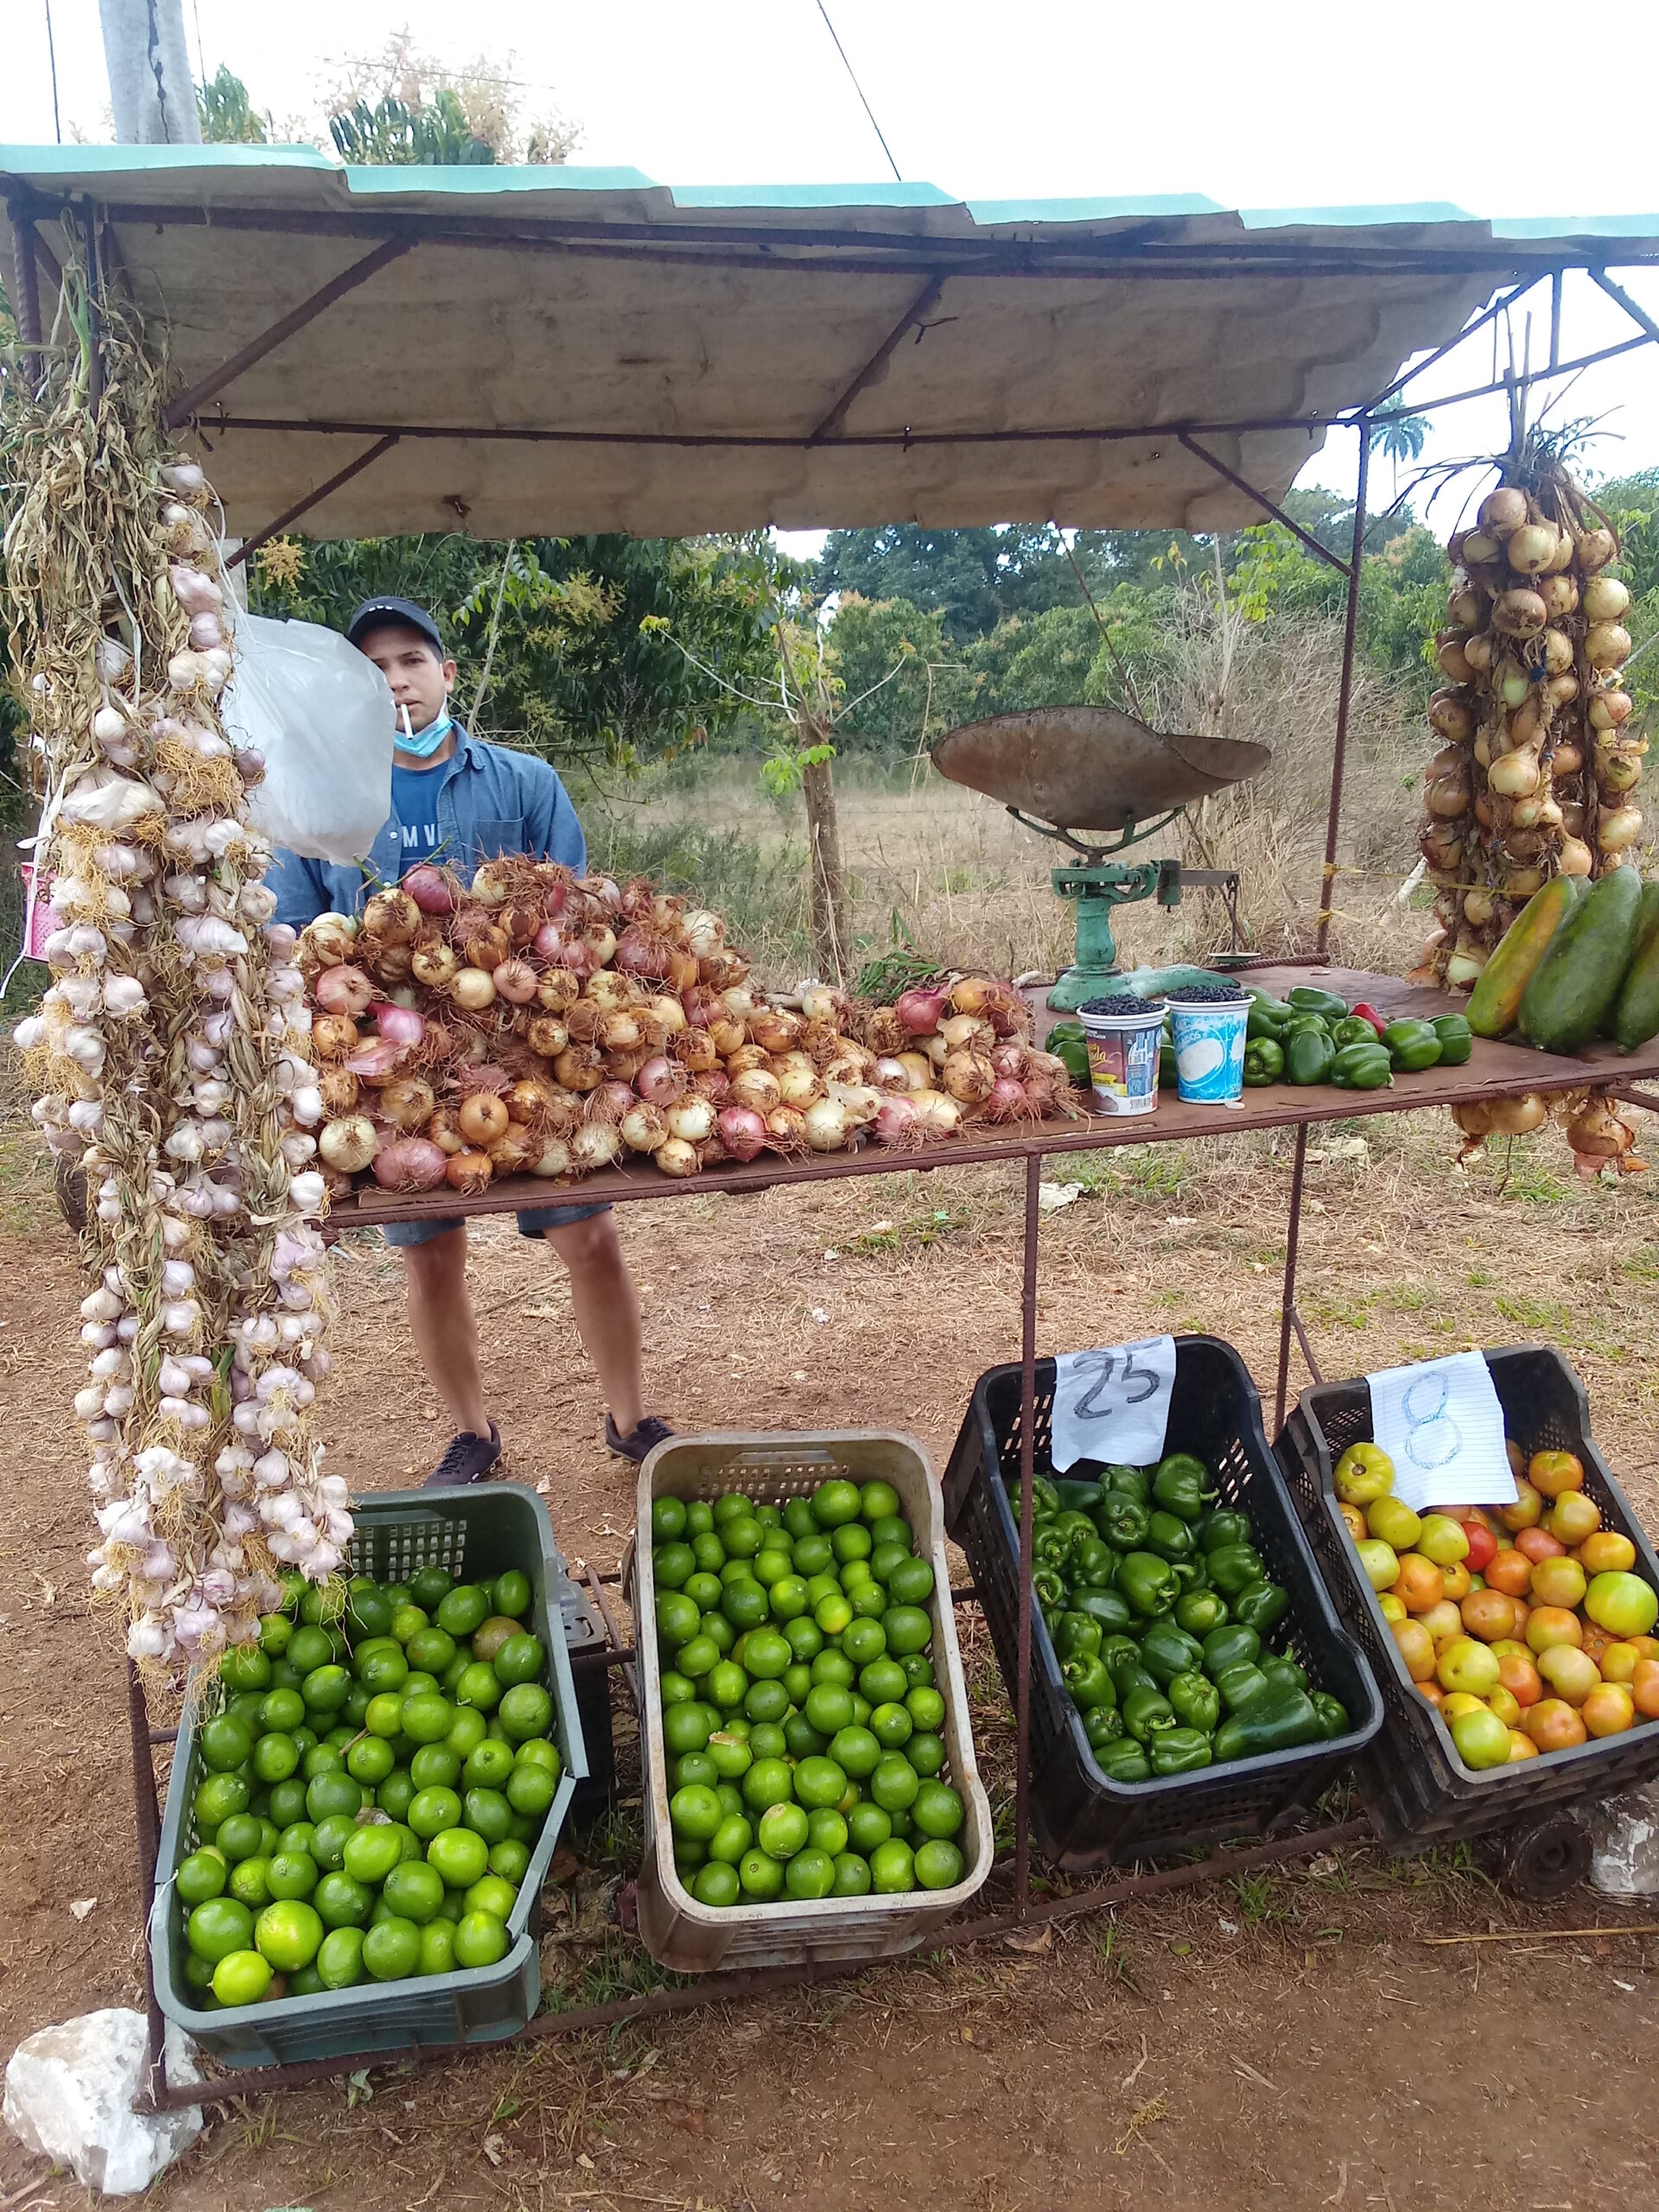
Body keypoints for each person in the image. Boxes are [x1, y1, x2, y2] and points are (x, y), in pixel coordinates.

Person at [270, 595, 672, 1484]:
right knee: (431, 1260)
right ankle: (471, 1433)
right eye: (373, 670)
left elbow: (581, 915)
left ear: (446, 674)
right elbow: (294, 938)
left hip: (534, 1054)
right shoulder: (315, 801)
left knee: (591, 1238)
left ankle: (631, 1417)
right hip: (391, 1079)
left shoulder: (524, 782)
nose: (396, 680)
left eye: (411, 659)